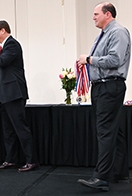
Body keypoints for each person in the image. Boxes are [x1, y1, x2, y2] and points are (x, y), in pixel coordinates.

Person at [77, 2, 131, 191]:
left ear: (107, 14)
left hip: (110, 86)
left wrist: (90, 59)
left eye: (95, 13)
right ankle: (120, 171)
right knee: (116, 132)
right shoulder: (104, 34)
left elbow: (115, 59)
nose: (93, 17)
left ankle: (101, 177)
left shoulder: (118, 32)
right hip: (103, 87)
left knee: (105, 131)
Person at [0, 20, 38, 172]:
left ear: (3, 31)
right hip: (5, 95)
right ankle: (11, 159)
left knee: (20, 128)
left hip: (14, 94)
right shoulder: (5, 47)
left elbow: (2, 61)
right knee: (8, 130)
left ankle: (32, 161)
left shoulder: (12, 44)